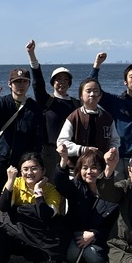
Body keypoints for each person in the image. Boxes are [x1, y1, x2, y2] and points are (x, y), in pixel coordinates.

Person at [0, 152, 64, 263]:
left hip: (37, 234)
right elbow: (3, 206)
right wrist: (10, 181)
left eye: (34, 168)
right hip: (18, 232)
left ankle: (37, 262)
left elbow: (46, 215)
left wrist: (38, 190)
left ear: (43, 171)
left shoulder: (51, 190)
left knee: (49, 240)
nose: (29, 173)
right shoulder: (16, 183)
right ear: (20, 171)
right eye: (25, 169)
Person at [52, 144, 117, 263]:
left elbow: (114, 225)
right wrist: (63, 160)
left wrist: (95, 234)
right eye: (84, 168)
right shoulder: (77, 186)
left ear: (102, 170)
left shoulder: (111, 192)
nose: (89, 172)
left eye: (94, 168)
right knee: (72, 251)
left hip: (99, 240)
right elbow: (60, 185)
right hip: (77, 234)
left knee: (91, 253)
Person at [88, 52, 132, 178]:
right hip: (118, 157)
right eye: (131, 77)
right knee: (116, 193)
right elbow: (91, 87)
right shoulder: (115, 102)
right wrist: (97, 65)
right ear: (125, 82)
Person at [26, 39, 80, 176]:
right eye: (58, 79)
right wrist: (32, 55)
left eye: (65, 79)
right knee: (50, 187)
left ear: (70, 83)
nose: (62, 82)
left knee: (70, 187)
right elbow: (37, 83)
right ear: (52, 83)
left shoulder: (76, 104)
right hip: (50, 152)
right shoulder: (47, 101)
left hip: (71, 152)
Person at [0, 68, 44, 184]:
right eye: (17, 82)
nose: (21, 85)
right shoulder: (2, 102)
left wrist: (34, 159)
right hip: (1, 158)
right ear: (10, 84)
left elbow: (38, 135)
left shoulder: (34, 107)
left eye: (24, 81)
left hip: (23, 162)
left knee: (21, 197)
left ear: (29, 84)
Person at [56, 78, 120, 164]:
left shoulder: (107, 118)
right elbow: (62, 142)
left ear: (100, 96)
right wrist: (82, 149)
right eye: (88, 91)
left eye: (96, 91)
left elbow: (115, 140)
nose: (92, 94)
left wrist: (112, 151)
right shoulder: (74, 117)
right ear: (81, 96)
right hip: (77, 167)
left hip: (101, 166)